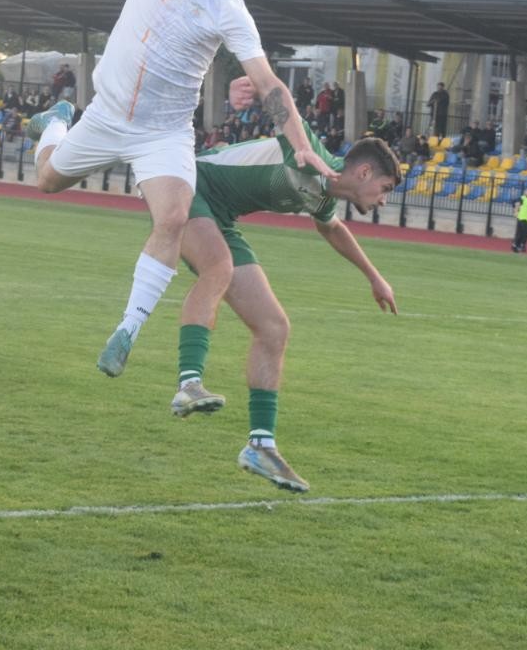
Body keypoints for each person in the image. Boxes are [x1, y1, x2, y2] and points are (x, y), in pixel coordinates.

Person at [24, 0, 336, 380]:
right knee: (48, 180)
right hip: (104, 115)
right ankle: (56, 120)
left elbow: (268, 83)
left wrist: (300, 141)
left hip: (163, 133)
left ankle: (127, 331)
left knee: (172, 217)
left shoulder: (226, 8)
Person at [171, 127, 400, 492]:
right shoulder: (308, 152)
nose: (384, 200)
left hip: (220, 218)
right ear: (364, 172)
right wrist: (264, 89)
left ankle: (261, 446)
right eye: (385, 188)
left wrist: (375, 277)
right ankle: (189, 385)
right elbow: (283, 115)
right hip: (187, 186)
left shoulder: (323, 195)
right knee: (218, 268)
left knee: (275, 327)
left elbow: (332, 229)